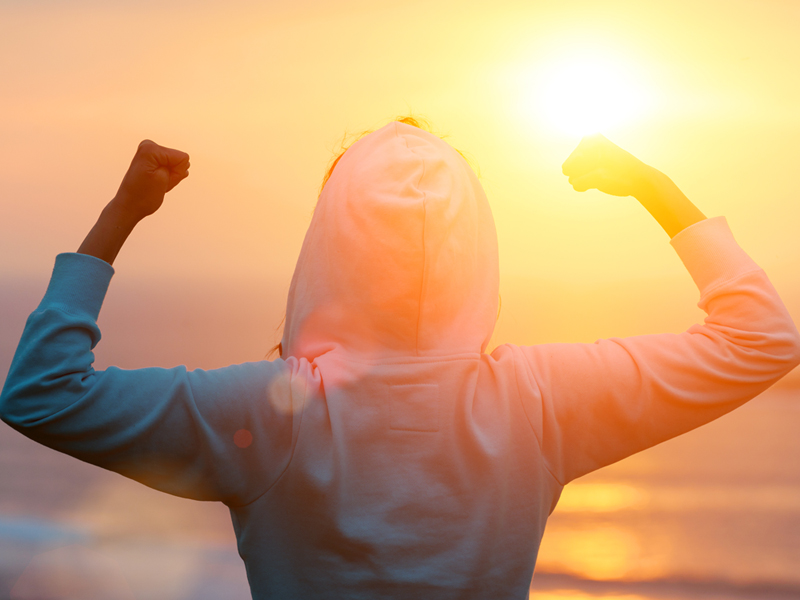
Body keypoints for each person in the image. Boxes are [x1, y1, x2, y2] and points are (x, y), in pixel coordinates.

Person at [1, 118, 798, 600]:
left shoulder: (268, 414)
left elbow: (39, 392)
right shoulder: (539, 403)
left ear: (329, 247)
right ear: (475, 250)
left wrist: (121, 214)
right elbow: (764, 339)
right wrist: (654, 188)